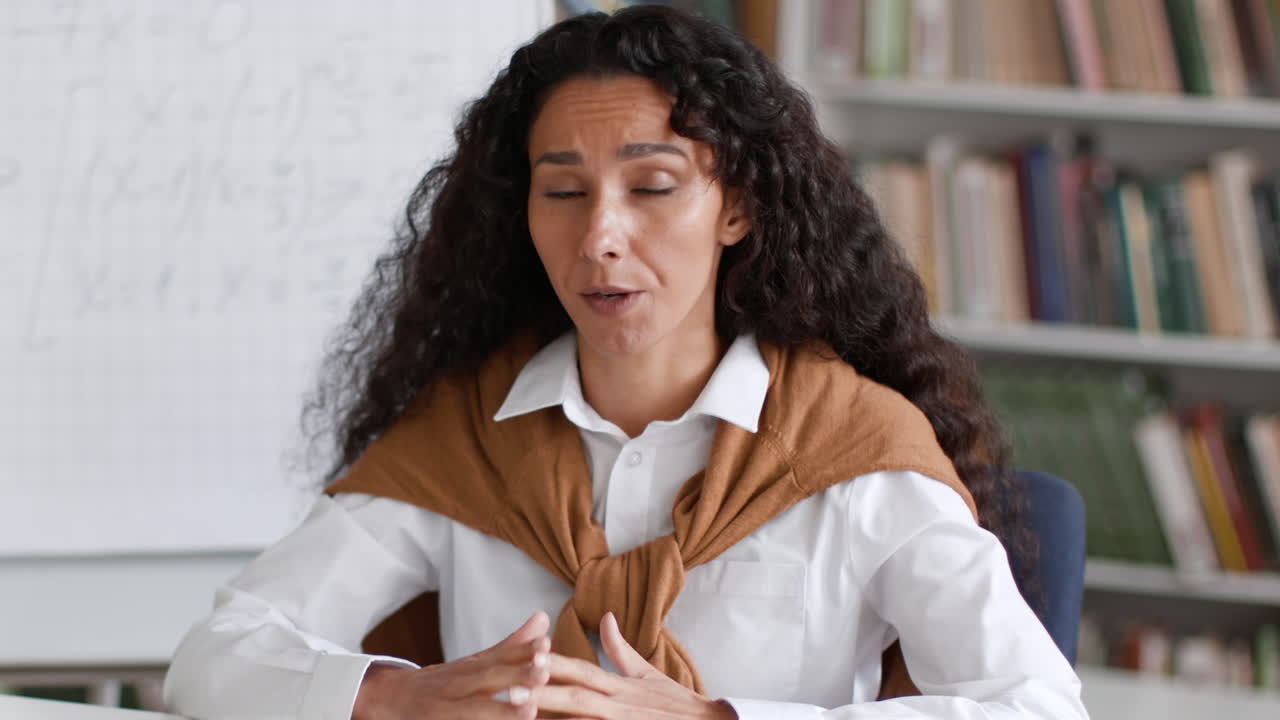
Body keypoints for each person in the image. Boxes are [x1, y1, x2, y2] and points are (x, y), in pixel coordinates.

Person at [164, 6, 1089, 720]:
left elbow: (1037, 705)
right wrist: (392, 698)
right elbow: (214, 658)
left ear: (738, 210)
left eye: (653, 187)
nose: (600, 237)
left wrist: (721, 716)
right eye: (562, 191)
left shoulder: (853, 449)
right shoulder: (465, 438)